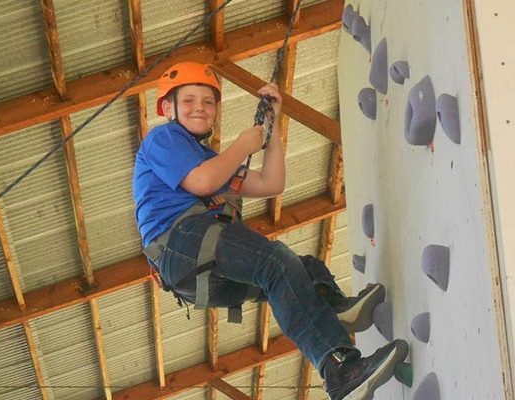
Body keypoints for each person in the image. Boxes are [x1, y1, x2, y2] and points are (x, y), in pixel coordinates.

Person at [133, 62, 408, 399]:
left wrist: (270, 129)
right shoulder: (164, 138)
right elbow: (201, 181)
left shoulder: (208, 158)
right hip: (181, 246)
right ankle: (341, 369)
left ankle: (331, 309)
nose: (200, 109)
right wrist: (242, 146)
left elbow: (270, 182)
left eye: (207, 102)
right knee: (275, 261)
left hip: (200, 275)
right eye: (189, 100)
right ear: (167, 108)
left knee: (299, 271)